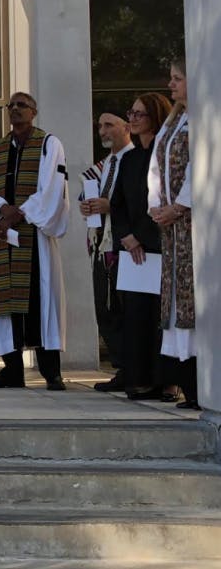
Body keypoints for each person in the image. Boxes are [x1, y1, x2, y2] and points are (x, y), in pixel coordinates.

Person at [0, 92, 70, 391]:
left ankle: (52, 373)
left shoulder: (49, 145)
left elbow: (52, 190)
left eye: (21, 105)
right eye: (10, 106)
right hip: (7, 239)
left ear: (34, 111)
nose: (14, 109)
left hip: (35, 237)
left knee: (42, 302)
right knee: (7, 304)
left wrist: (19, 213)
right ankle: (12, 371)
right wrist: (2, 211)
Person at [110, 93, 173, 401]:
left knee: (160, 318)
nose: (132, 119)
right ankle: (139, 379)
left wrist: (146, 237)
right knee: (135, 316)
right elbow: (117, 204)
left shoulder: (164, 155)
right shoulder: (130, 159)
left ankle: (165, 380)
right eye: (131, 113)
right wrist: (128, 236)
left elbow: (164, 201)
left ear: (155, 118)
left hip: (159, 247)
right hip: (133, 251)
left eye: (139, 115)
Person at [148, 58, 199, 411]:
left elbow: (203, 164)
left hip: (192, 224)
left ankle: (199, 382)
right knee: (175, 301)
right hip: (171, 228)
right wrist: (155, 204)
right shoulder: (172, 122)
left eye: (178, 79)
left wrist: (180, 205)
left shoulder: (199, 119)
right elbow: (156, 166)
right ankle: (186, 379)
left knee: (192, 297)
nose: (172, 86)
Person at [80, 113, 133, 392]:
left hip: (128, 246)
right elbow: (90, 200)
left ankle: (135, 370)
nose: (103, 130)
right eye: (100, 126)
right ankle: (123, 369)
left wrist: (108, 206)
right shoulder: (104, 165)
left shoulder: (135, 160)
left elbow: (138, 201)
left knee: (126, 311)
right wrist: (87, 207)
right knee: (106, 310)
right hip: (102, 246)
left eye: (109, 125)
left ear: (126, 127)